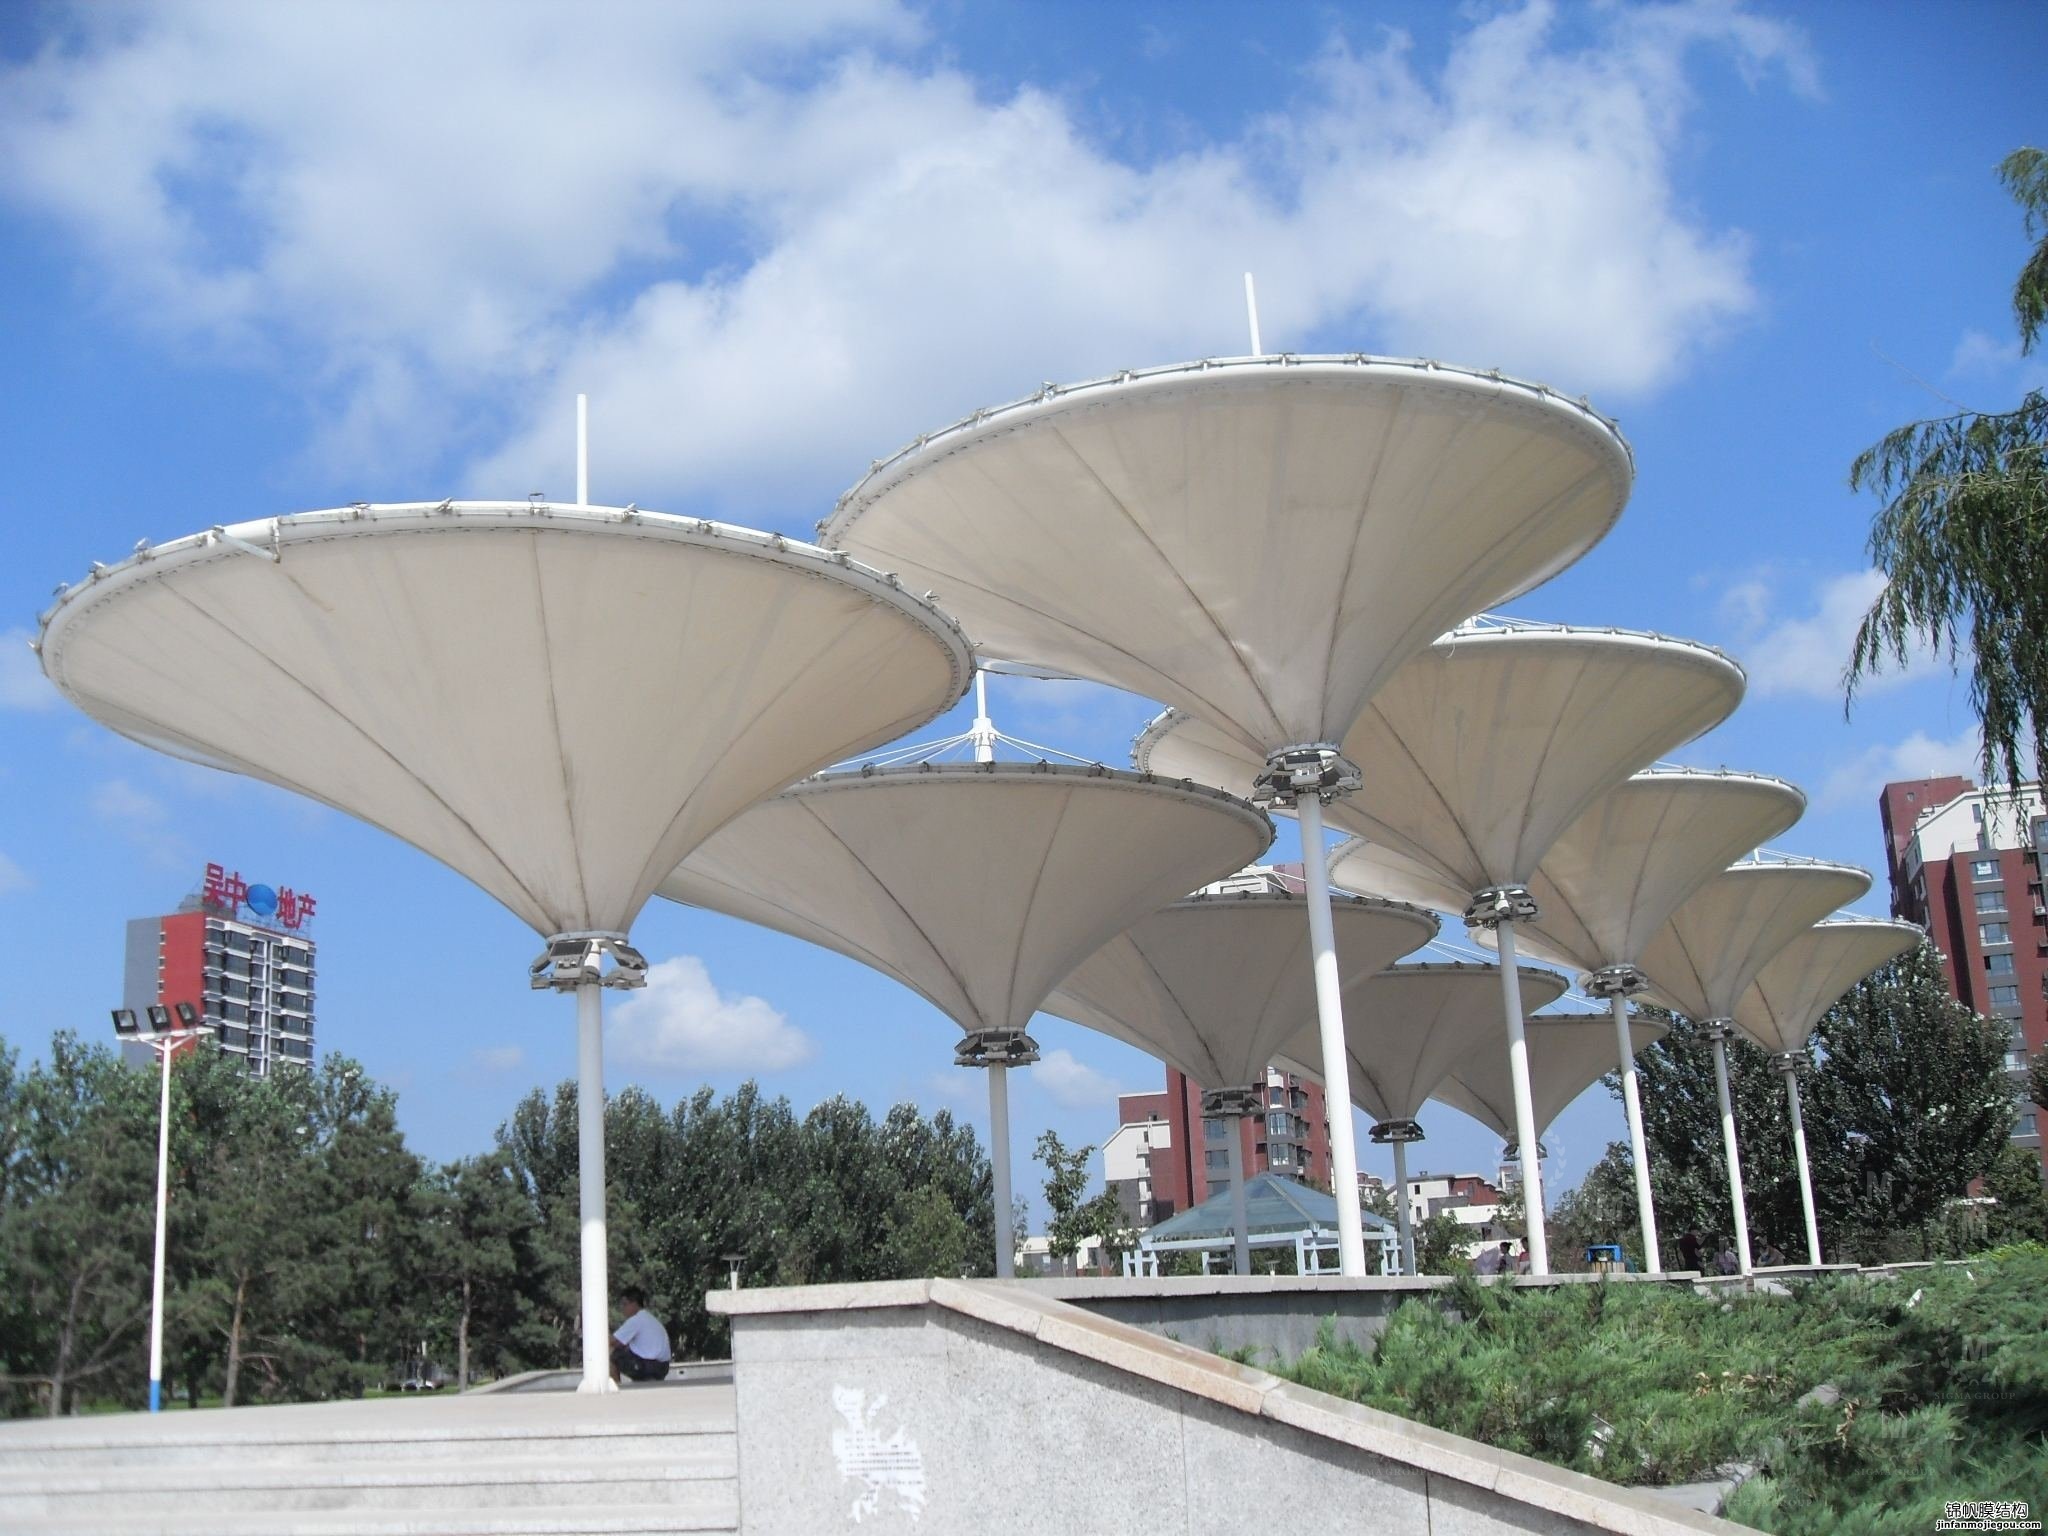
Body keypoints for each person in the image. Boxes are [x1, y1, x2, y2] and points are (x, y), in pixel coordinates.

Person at [609, 1286, 671, 1385]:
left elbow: (611, 1341)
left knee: (610, 1354)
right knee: (625, 1349)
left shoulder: (636, 1320)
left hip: (648, 1366)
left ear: (634, 1304)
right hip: (663, 1367)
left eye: (625, 1304)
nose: (622, 1309)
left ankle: (616, 1386)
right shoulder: (649, 1318)